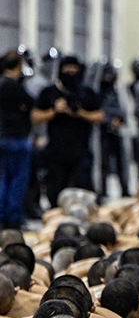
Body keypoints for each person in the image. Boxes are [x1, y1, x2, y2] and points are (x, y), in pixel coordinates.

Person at [31, 55, 101, 205]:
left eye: (74, 69)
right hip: (56, 153)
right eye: (67, 69)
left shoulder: (87, 92)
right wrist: (54, 111)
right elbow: (35, 116)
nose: (70, 72)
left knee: (83, 194)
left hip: (81, 152)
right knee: (55, 194)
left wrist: (80, 113)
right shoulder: (49, 92)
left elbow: (100, 116)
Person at [0, 49, 33, 229]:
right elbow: (30, 102)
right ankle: (13, 218)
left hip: (3, 137)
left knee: (4, 178)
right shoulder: (14, 86)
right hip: (17, 137)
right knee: (17, 180)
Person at [97, 63, 130, 200]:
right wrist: (108, 120)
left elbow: (124, 108)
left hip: (118, 131)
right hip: (102, 131)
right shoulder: (98, 90)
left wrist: (119, 120)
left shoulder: (118, 90)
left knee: (122, 162)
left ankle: (125, 188)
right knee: (103, 162)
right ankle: (102, 190)